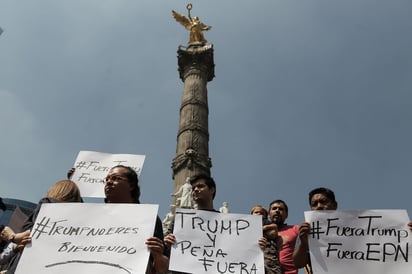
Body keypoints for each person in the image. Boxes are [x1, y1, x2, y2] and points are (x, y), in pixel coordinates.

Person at [6, 179, 83, 274]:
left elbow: (39, 230)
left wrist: (13, 237)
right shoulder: (79, 223)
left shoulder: (48, 203)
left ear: (55, 190)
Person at [104, 165, 169, 273]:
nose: (109, 182)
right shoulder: (93, 218)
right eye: (107, 179)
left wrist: (158, 256)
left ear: (131, 186)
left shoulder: (148, 218)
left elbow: (162, 268)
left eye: (116, 178)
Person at [293, 187, 338, 274]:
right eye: (314, 204)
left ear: (334, 205)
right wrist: (303, 242)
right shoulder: (307, 230)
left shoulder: (354, 227)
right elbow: (298, 263)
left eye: (324, 202)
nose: (319, 206)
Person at [268, 200, 299, 274]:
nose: (277, 211)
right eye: (274, 208)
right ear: (269, 214)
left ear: (286, 215)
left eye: (281, 209)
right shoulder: (261, 232)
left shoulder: (295, 229)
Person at [251, 205, 282, 274]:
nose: (259, 214)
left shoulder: (266, 222)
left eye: (262, 213)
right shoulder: (246, 224)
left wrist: (263, 229)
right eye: (256, 212)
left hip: (268, 252)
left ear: (266, 216)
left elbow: (273, 233)